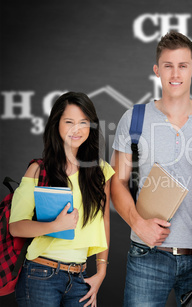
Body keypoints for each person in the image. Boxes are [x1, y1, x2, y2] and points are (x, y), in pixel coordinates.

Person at [110, 31, 192, 306]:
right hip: (147, 254)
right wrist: (139, 225)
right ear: (157, 70)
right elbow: (116, 183)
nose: (175, 73)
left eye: (182, 65)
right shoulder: (134, 118)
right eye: (168, 65)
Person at [9, 92, 114, 307]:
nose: (77, 129)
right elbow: (16, 227)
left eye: (83, 122)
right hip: (40, 275)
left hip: (80, 278)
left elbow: (104, 221)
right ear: (56, 124)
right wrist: (55, 225)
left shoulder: (100, 171)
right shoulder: (38, 170)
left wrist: (101, 271)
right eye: (69, 122)